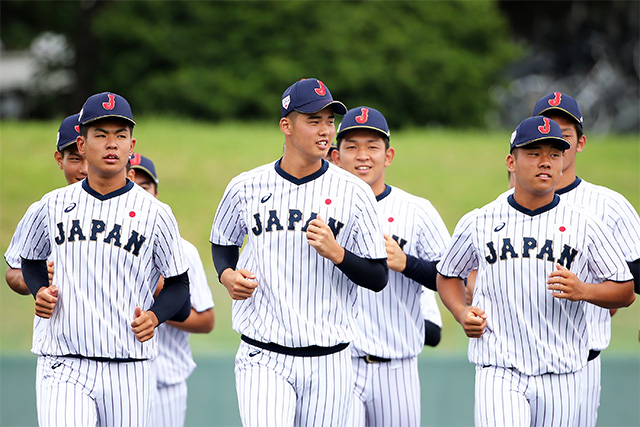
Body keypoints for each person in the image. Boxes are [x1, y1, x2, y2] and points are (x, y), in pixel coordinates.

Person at [210, 78, 388, 426]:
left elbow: (378, 276)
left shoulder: (354, 192)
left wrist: (338, 253)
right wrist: (226, 274)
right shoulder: (247, 186)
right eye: (313, 120)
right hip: (262, 354)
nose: (325, 130)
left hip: (330, 361)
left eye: (329, 121)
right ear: (286, 125)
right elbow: (223, 242)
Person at [436, 116, 634, 427]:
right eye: (533, 153)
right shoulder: (480, 220)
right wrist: (461, 312)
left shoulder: (586, 224)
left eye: (554, 154)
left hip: (563, 373)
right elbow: (448, 274)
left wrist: (585, 291)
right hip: (499, 369)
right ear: (511, 162)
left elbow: (624, 290)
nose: (546, 162)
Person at [19, 92, 191, 426]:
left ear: (131, 145)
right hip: (64, 363)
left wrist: (155, 317)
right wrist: (39, 289)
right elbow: (30, 259)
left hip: (129, 367)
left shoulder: (156, 213)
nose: (112, 144)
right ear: (81, 145)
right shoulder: (51, 205)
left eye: (120, 135)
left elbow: (179, 285)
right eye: (101, 135)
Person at [332, 106, 449, 426]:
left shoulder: (417, 210)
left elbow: (454, 277)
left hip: (396, 366)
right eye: (352, 146)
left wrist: (407, 263)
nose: (362, 155)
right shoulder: (318, 205)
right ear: (336, 155)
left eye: (372, 146)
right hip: (338, 363)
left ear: (389, 154)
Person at [532, 92, 640, 426]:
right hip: (516, 359)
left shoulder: (608, 205)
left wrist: (601, 291)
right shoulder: (506, 205)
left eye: (564, 136)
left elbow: (636, 273)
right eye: (547, 133)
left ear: (579, 143)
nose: (556, 144)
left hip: (582, 360)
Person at [4, 113, 86, 414]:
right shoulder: (44, 209)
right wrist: (33, 281)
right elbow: (13, 271)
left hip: (119, 356)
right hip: (59, 356)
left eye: (88, 155)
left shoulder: (137, 208)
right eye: (75, 158)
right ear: (59, 159)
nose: (84, 167)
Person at [128, 152, 215, 427]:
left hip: (165, 381)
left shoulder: (182, 249)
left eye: (146, 187)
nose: (141, 193)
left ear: (156, 192)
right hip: (118, 374)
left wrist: (163, 301)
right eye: (134, 185)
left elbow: (206, 320)